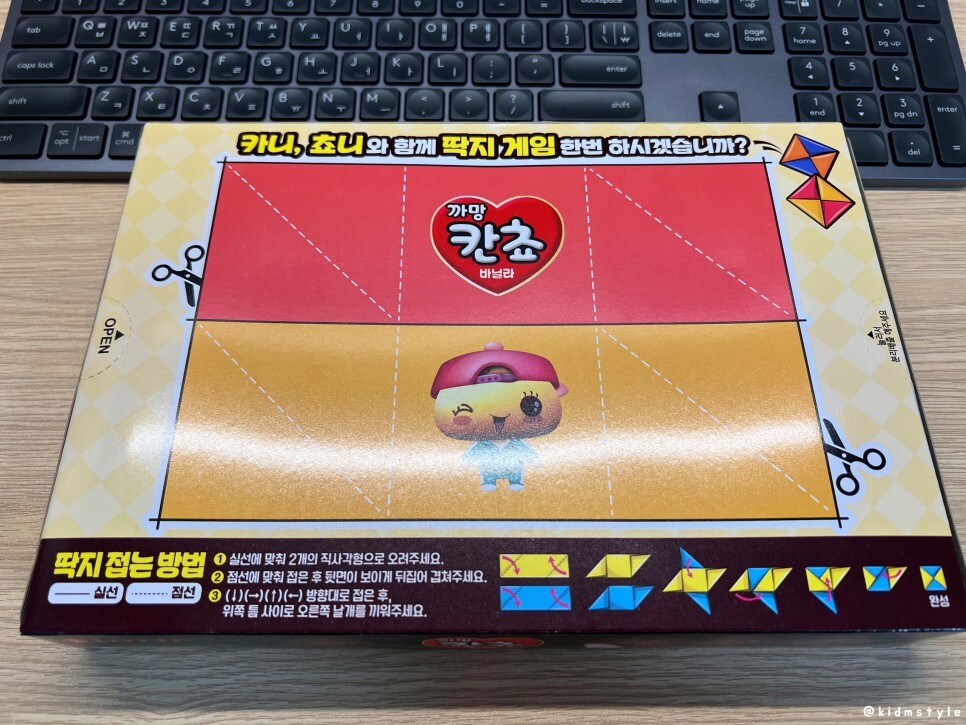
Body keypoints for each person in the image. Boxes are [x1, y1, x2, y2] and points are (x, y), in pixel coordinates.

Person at [431, 342, 568, 491]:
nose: (499, 415)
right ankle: (489, 482)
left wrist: (535, 461)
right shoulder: (483, 444)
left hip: (513, 468)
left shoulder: (516, 443)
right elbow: (470, 456)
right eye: (464, 409)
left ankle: (515, 482)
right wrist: (464, 464)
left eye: (530, 406)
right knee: (488, 476)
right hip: (490, 470)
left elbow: (527, 452)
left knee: (515, 475)